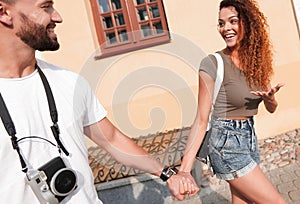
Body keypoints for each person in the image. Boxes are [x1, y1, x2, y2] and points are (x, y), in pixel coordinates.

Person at [0, 0, 199, 203]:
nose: (57, 17)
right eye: (45, 7)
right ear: (4, 12)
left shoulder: (70, 82)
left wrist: (167, 174)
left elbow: (111, 139)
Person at [180, 0, 286, 203]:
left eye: (232, 21)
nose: (226, 28)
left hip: (249, 138)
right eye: (221, 23)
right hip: (225, 144)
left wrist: (270, 100)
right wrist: (185, 170)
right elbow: (201, 120)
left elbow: (271, 109)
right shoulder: (212, 63)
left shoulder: (257, 63)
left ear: (247, 23)